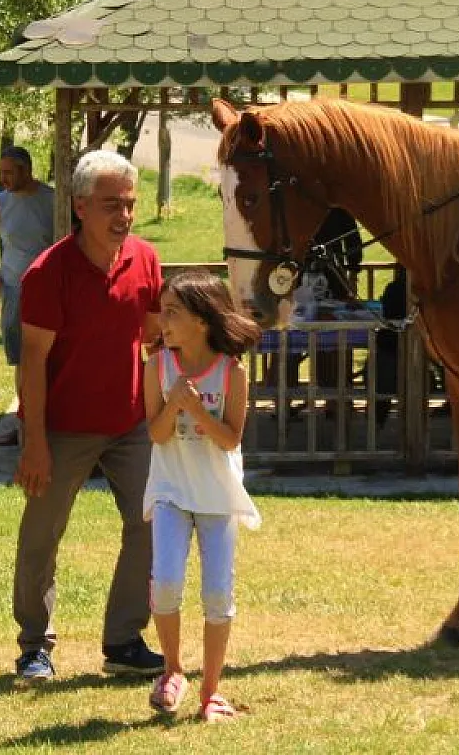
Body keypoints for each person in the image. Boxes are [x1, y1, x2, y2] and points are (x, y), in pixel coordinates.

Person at [11, 149, 164, 683]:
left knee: (149, 523)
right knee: (42, 536)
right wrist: (34, 441)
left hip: (131, 425)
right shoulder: (46, 273)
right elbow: (31, 362)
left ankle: (123, 641)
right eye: (109, 205)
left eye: (129, 204)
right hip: (62, 427)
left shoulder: (145, 259)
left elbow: (152, 337)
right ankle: (34, 646)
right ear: (79, 207)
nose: (123, 216)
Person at [142, 269, 261, 722]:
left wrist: (195, 408)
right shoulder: (157, 366)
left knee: (217, 594)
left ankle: (210, 693)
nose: (162, 321)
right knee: (167, 582)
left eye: (172, 312)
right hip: (172, 492)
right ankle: (172, 671)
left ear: (203, 320)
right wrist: (174, 404)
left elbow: (231, 439)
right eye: (162, 310)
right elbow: (156, 433)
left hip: (218, 498)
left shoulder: (233, 373)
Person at [0, 146, 55, 447]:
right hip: (14, 290)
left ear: (26, 170)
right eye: (0, 173)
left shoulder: (53, 201)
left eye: (9, 172)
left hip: (49, 290)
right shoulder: (0, 203)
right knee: (22, 359)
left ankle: (52, 422)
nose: (3, 178)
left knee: (51, 357)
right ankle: (23, 421)